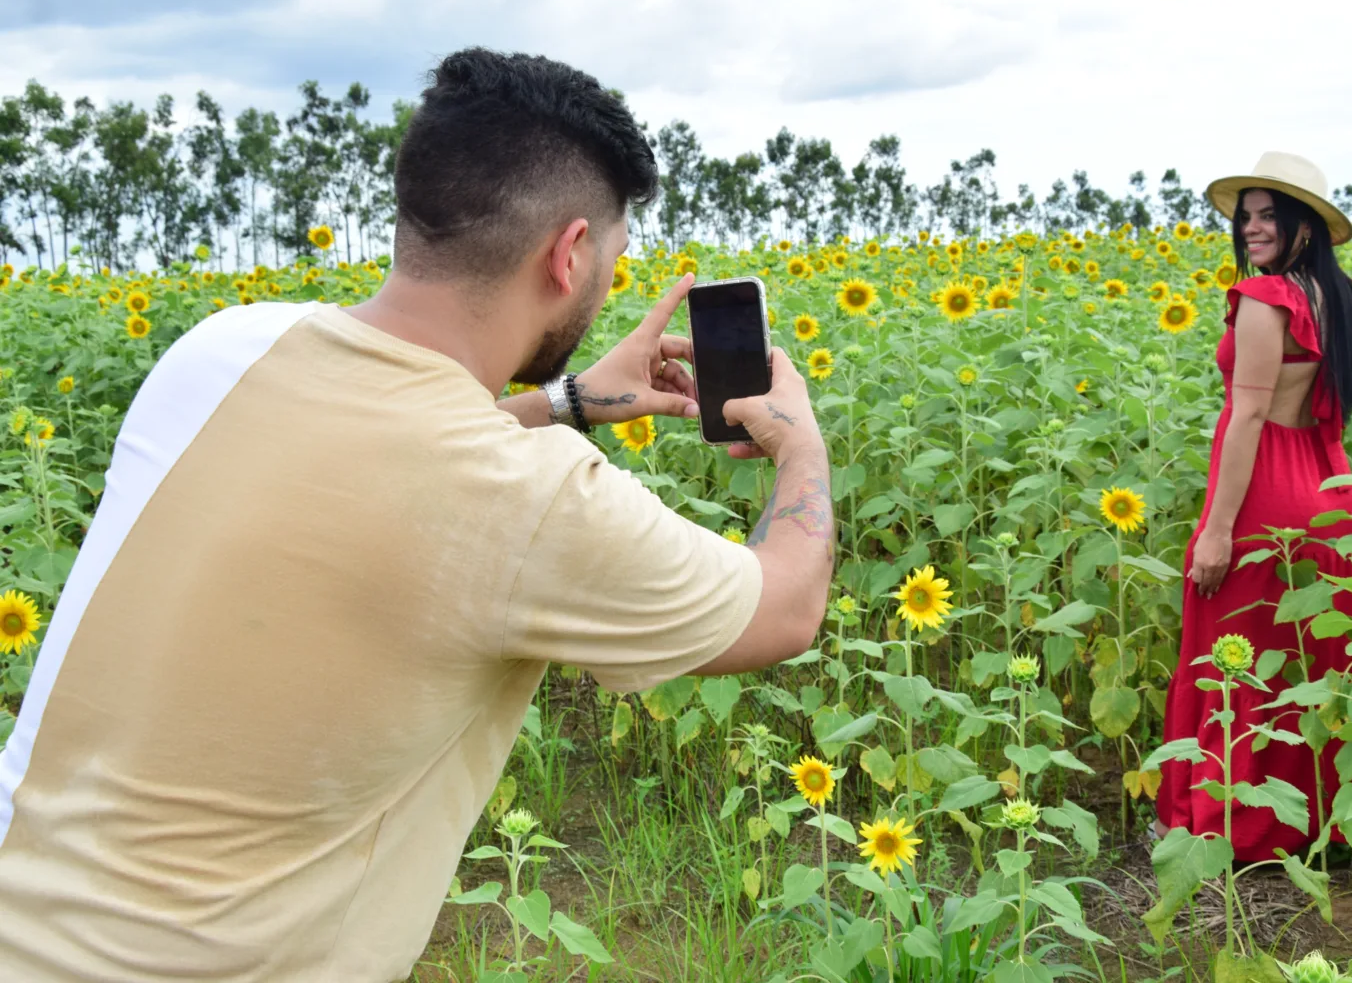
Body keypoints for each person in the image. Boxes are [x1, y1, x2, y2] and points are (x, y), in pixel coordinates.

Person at [0, 48, 834, 982]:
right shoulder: (528, 498)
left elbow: (389, 450)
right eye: (611, 256)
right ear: (568, 255)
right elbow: (785, 605)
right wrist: (800, 446)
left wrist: (572, 399)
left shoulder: (225, 346)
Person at [1155, 152, 1352, 861]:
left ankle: (1228, 824)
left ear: (1303, 222)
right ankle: (1315, 825)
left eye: (1267, 214)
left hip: (1267, 495)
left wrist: (1216, 531)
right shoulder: (1339, 303)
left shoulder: (1266, 298)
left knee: (1233, 653)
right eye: (1245, 216)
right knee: (1310, 661)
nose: (1250, 228)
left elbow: (1246, 419)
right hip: (1328, 489)